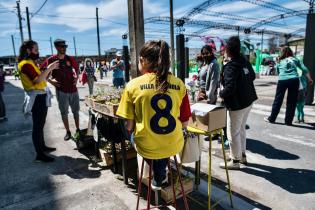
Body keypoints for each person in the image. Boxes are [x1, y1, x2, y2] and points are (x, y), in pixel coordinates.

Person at [116, 40, 191, 190]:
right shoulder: (179, 84)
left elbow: (129, 125)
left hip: (147, 147)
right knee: (161, 140)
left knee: (130, 132)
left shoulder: (132, 85)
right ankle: (160, 172)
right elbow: (184, 122)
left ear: (142, 61)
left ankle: (158, 172)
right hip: (174, 144)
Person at [219, 36, 257, 169]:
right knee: (241, 129)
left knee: (232, 132)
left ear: (228, 50)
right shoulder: (244, 61)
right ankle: (242, 156)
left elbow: (229, 88)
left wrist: (220, 95)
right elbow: (252, 76)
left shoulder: (231, 66)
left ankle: (235, 161)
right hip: (248, 100)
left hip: (237, 104)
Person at [18, 40, 59, 162]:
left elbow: (41, 78)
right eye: (36, 50)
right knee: (37, 126)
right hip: (36, 98)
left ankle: (42, 147)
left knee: (41, 125)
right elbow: (36, 80)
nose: (38, 52)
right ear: (28, 50)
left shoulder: (31, 63)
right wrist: (50, 67)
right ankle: (39, 155)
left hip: (40, 96)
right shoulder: (25, 64)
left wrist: (48, 70)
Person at [41, 39, 81, 141]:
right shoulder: (51, 60)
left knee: (76, 111)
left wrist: (76, 77)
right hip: (61, 91)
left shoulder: (69, 58)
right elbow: (42, 72)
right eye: (62, 46)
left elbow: (77, 69)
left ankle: (78, 129)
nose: (64, 48)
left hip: (73, 89)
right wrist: (51, 82)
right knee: (64, 112)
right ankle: (68, 132)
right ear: (57, 47)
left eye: (65, 46)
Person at [264, 47, 313, 126]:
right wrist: (310, 79)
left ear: (282, 53)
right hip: (294, 80)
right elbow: (305, 69)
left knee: (278, 100)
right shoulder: (295, 59)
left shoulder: (280, 61)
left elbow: (278, 72)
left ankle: (272, 118)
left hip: (282, 80)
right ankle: (288, 121)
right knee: (292, 101)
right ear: (291, 52)